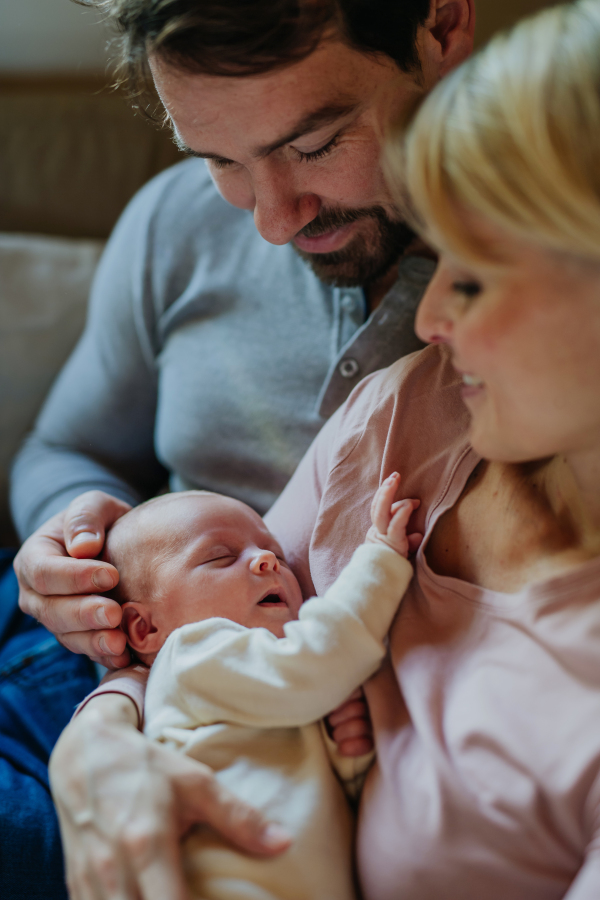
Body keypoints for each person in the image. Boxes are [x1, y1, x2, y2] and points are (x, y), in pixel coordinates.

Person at [51, 0, 600, 897]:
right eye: (221, 162)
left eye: (313, 145)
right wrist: (97, 719)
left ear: (442, 25)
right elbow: (204, 635)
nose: (267, 220)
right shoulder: (406, 410)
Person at [95, 481, 416, 900]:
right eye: (220, 557)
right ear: (146, 627)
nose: (266, 560)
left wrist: (345, 753)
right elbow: (316, 664)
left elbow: (300, 780)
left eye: (278, 556)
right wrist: (379, 560)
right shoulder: (192, 654)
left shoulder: (261, 676)